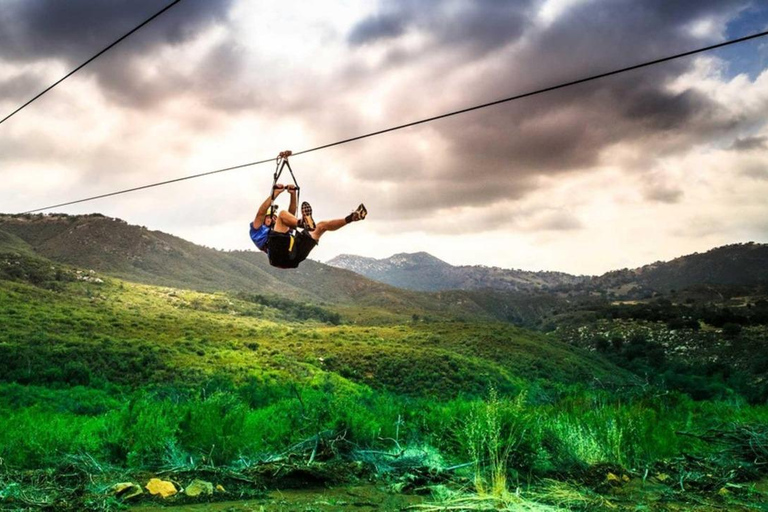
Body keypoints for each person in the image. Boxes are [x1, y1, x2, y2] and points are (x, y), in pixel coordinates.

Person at [250, 184, 367, 269]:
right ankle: (302, 223)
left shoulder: (280, 228)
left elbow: (289, 216)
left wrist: (293, 195)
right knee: (282, 214)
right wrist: (274, 194)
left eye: (274, 218)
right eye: (270, 217)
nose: (273, 220)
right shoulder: (257, 230)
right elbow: (261, 213)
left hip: (293, 257)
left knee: (321, 226)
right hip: (277, 256)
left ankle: (352, 217)